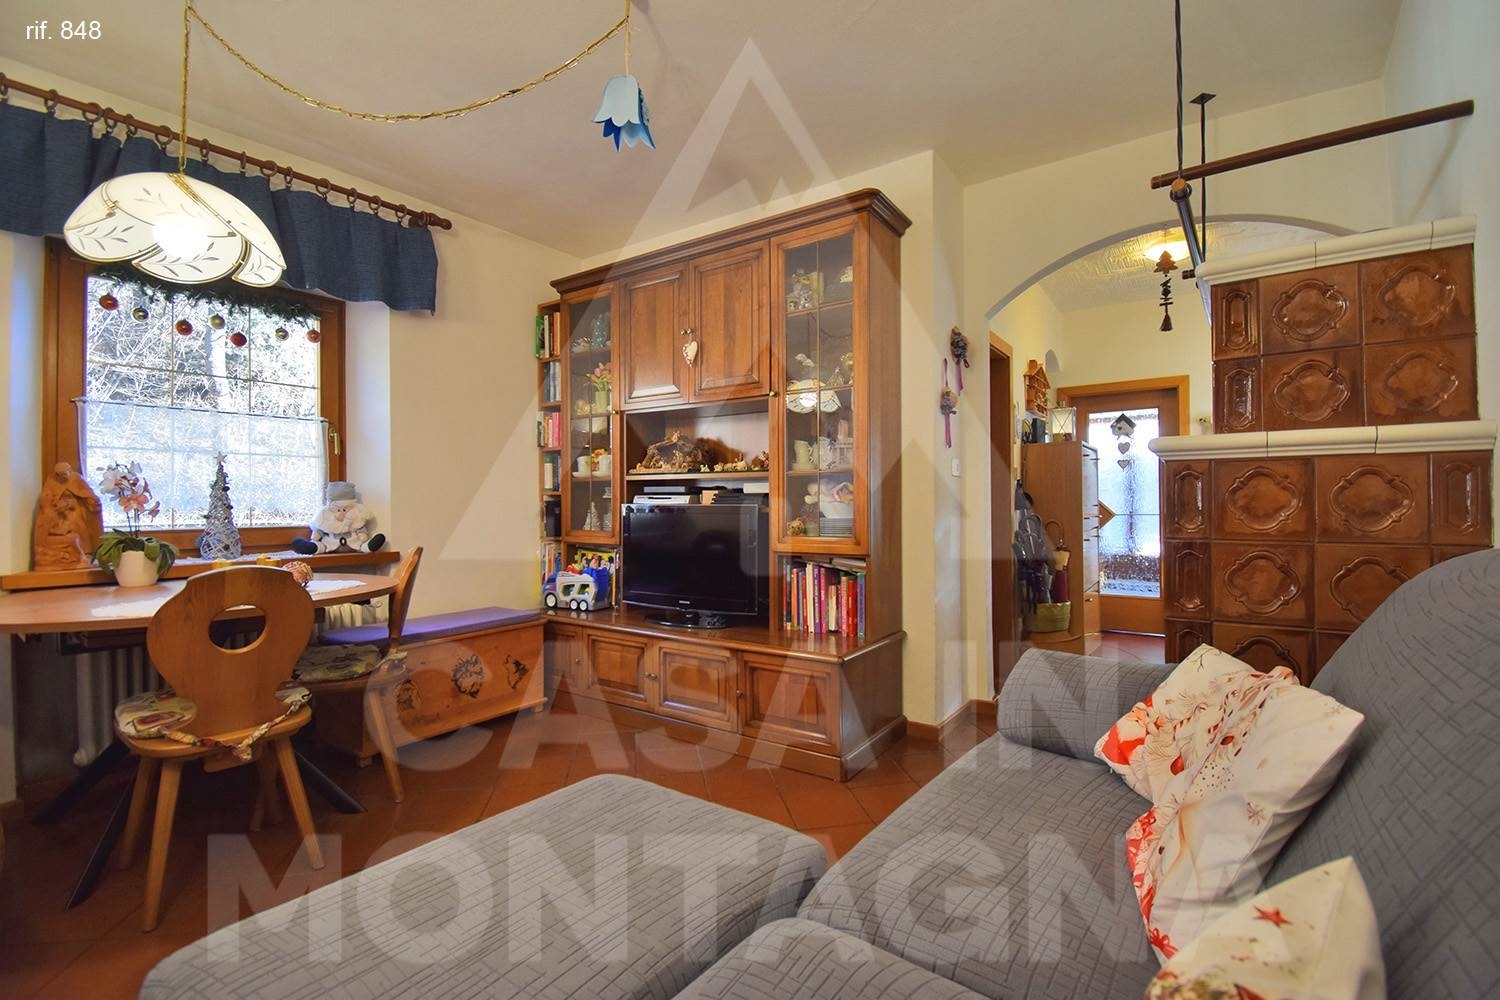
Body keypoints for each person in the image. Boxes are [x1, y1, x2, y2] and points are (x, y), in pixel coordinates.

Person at [33, 462, 104, 571]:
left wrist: (92, 501)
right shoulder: (51, 481)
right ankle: (73, 556)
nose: (63, 477)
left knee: (80, 529)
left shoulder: (77, 479)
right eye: (59, 475)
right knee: (67, 531)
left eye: (65, 474)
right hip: (59, 513)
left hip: (75, 510)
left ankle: (86, 554)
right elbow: (46, 500)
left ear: (70, 471)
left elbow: (88, 494)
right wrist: (57, 505)